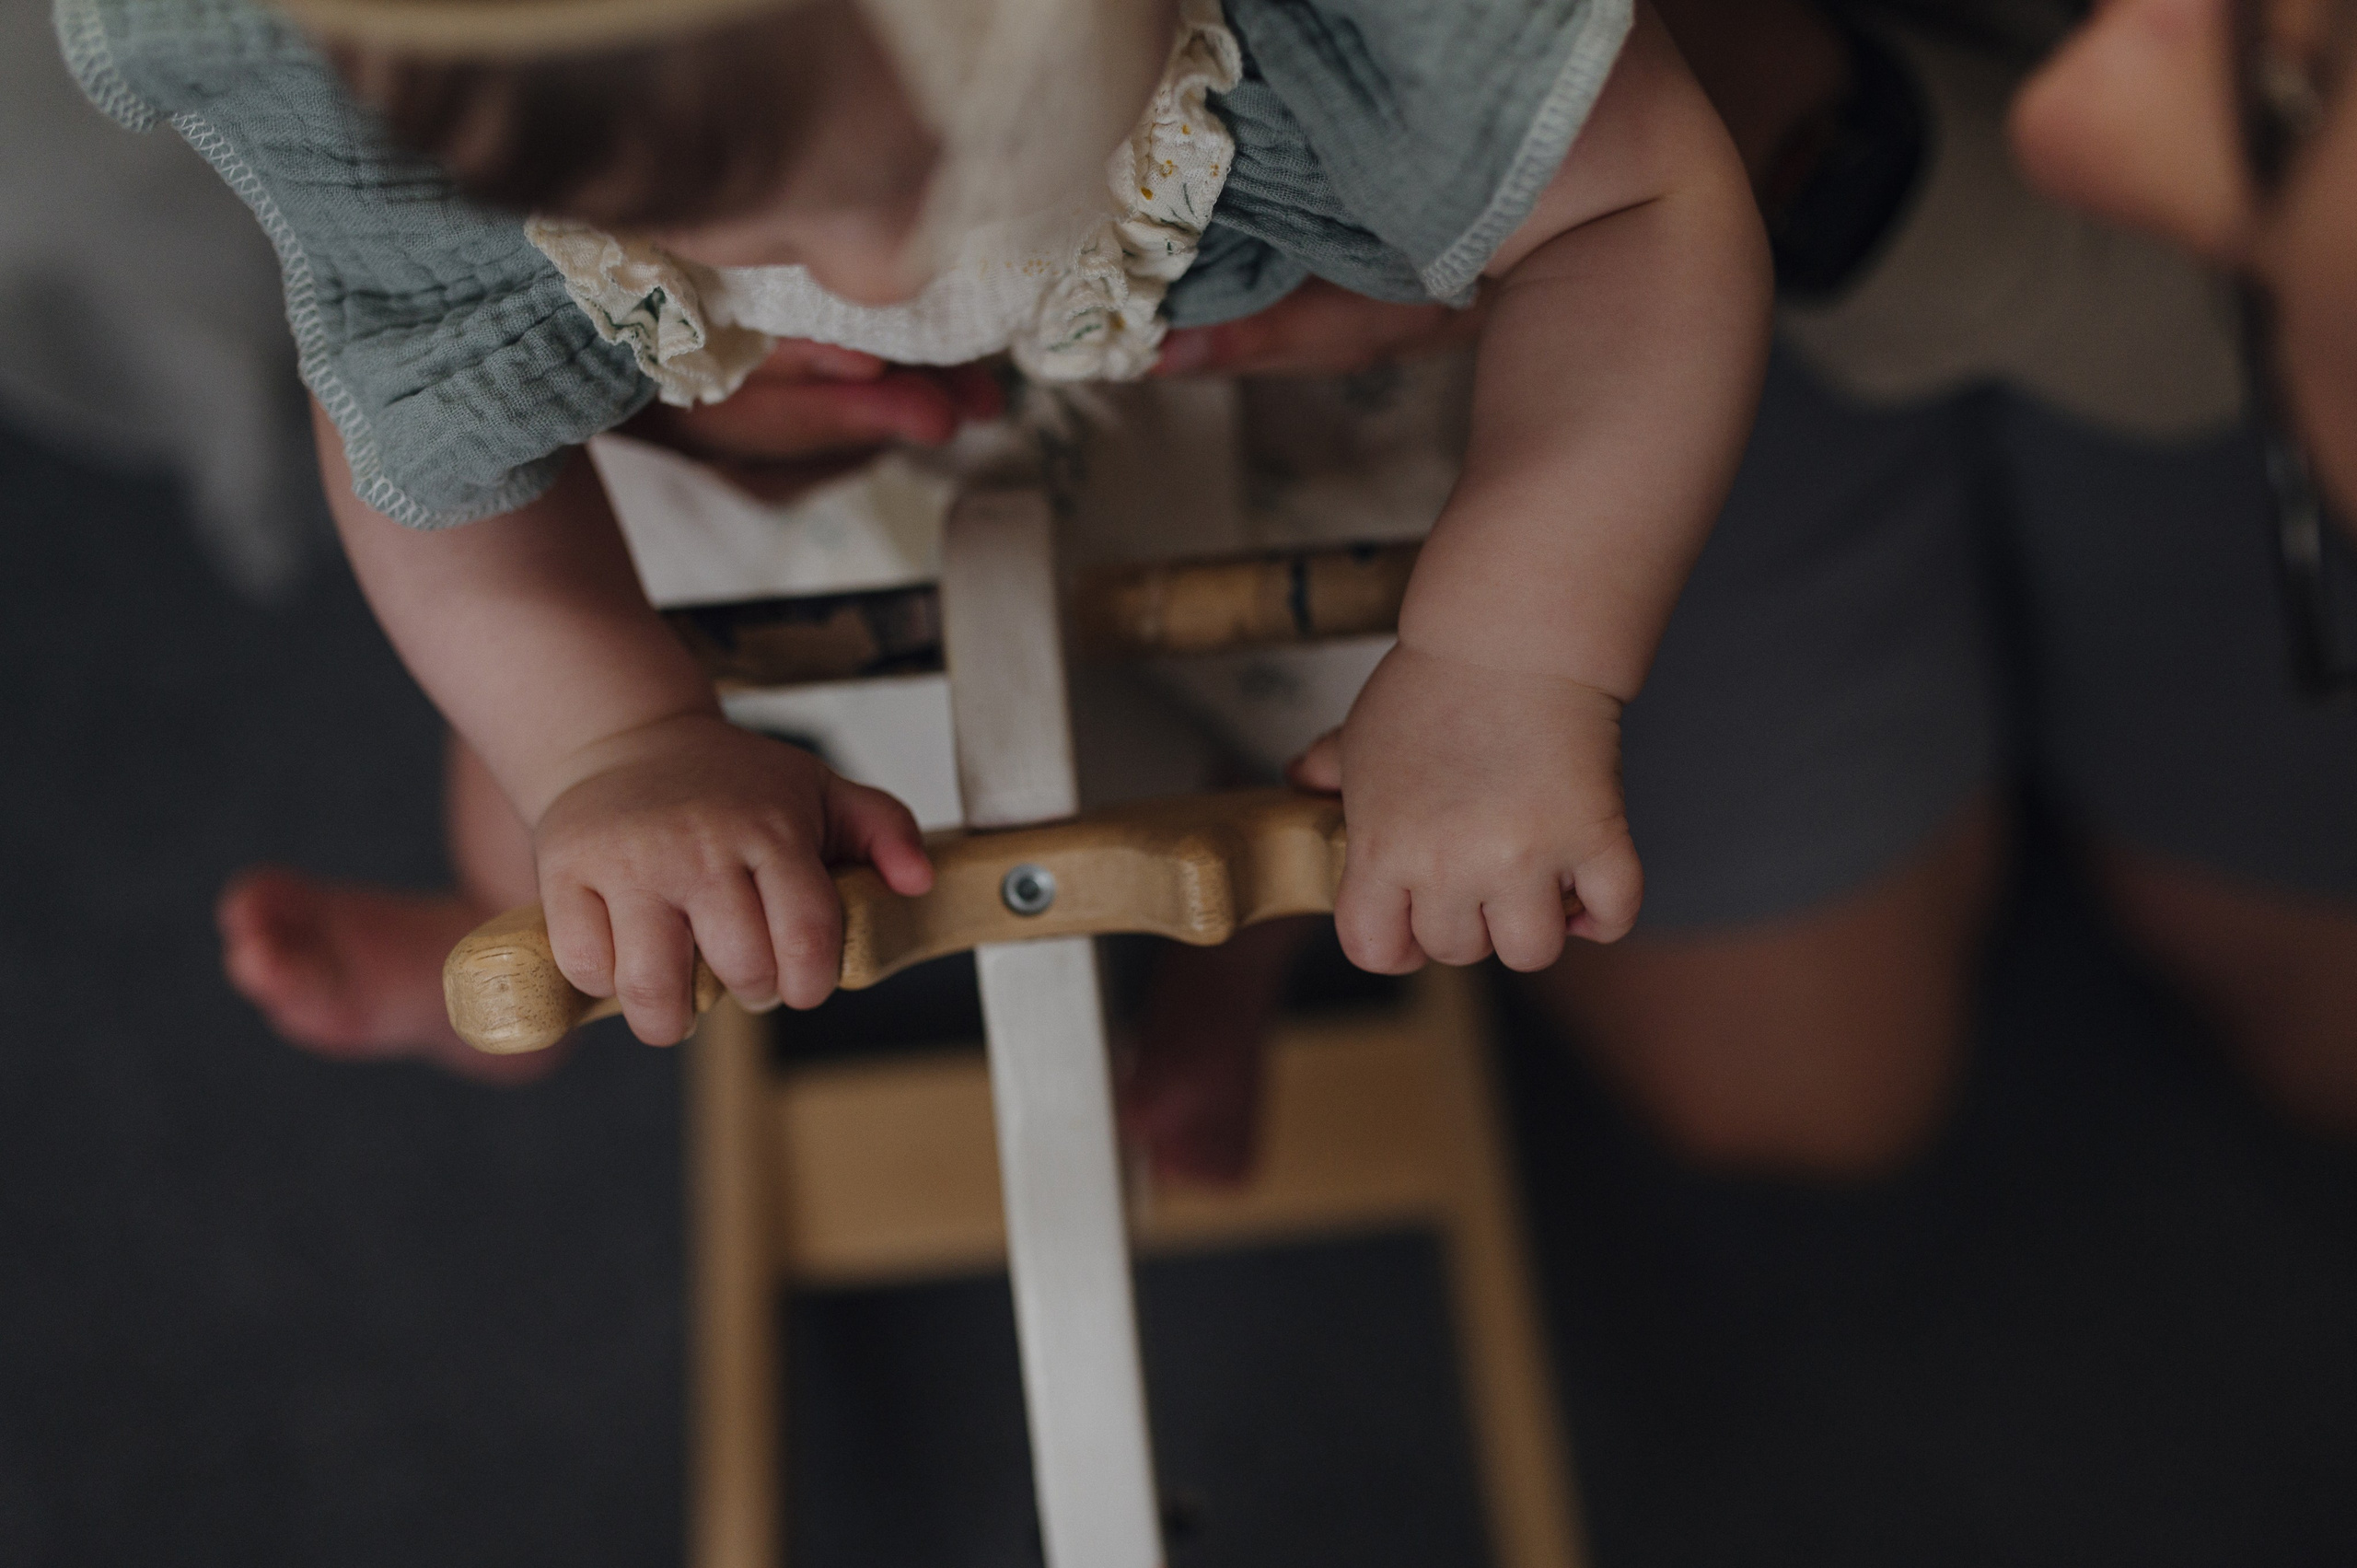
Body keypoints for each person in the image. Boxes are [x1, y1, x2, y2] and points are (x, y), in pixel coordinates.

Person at [61, 0, 1768, 1053]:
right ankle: (479, 936)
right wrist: (614, 743)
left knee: (1397, 717)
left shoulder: (1346, 33)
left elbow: (1639, 209)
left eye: (941, 168)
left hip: (1258, 354)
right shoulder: (458, 124)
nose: (873, 275)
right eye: (751, 215)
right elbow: (415, 451)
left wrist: (1508, 657)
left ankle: (1233, 983)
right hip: (758, 427)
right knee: (537, 769)